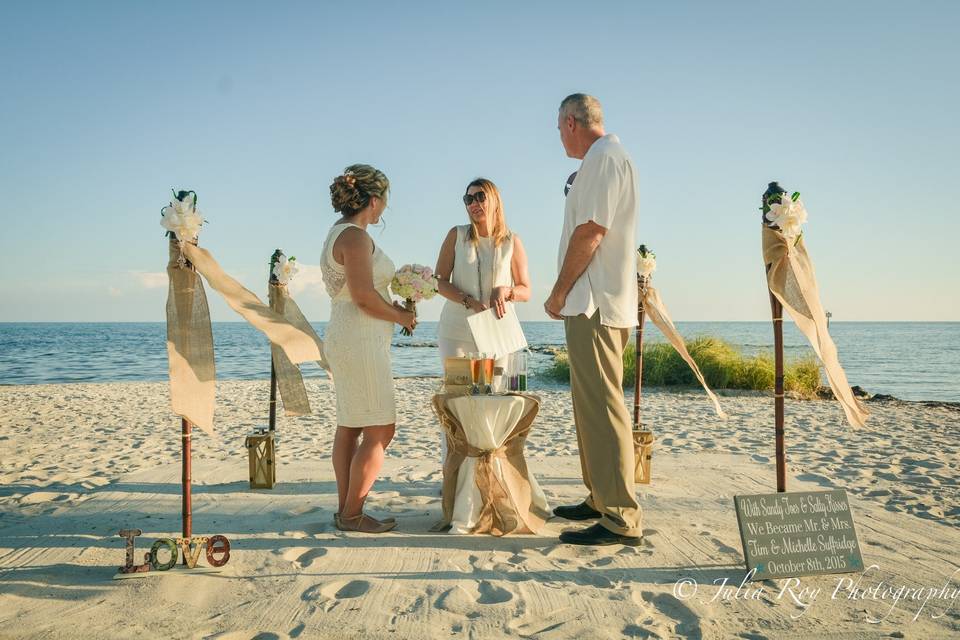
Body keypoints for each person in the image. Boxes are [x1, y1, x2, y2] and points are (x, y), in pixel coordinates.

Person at [544, 94, 643, 546]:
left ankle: (621, 515)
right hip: (595, 302)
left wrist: (559, 290)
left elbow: (592, 232)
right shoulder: (601, 161)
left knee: (605, 407)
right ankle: (600, 496)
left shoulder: (604, 158)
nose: (558, 136)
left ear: (570, 122)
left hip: (594, 302)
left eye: (557, 127)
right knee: (590, 406)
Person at [321, 164, 416, 534]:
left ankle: (346, 510)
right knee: (380, 427)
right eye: (384, 202)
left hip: (347, 335)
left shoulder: (337, 233)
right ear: (374, 200)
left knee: (350, 424)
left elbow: (359, 293)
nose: (384, 209)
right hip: (359, 338)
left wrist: (394, 310)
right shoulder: (356, 238)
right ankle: (352, 512)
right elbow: (363, 297)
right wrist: (401, 317)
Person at [434, 178, 531, 457]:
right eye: (468, 199)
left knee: (493, 402)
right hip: (457, 333)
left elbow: (526, 290)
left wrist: (507, 290)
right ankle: (454, 471)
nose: (474, 204)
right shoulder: (457, 234)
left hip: (497, 335)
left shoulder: (512, 241)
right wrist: (468, 301)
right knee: (458, 403)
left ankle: (488, 467)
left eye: (480, 197)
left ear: (494, 200)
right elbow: (439, 281)